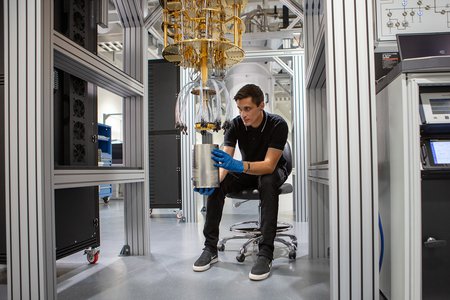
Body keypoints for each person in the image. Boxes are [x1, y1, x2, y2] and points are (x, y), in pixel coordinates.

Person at [193, 84, 289, 281]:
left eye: (247, 109)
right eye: (240, 109)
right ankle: (210, 248)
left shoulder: (277, 124)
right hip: (247, 170)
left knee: (268, 181)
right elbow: (225, 162)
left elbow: (269, 165)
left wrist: (237, 165)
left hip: (273, 170)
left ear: (261, 105)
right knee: (219, 185)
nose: (243, 114)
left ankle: (265, 253)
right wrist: (213, 182)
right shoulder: (235, 124)